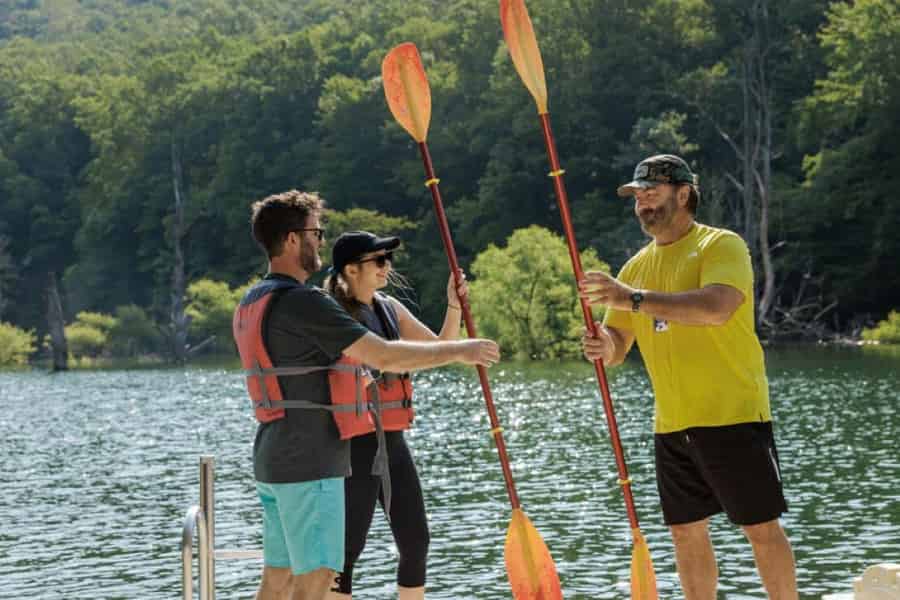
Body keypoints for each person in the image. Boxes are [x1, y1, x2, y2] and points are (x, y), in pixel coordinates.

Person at [232, 190, 500, 600]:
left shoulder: (253, 299)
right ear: (292, 239)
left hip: (274, 457)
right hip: (310, 462)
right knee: (316, 582)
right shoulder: (305, 302)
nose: (320, 241)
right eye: (315, 233)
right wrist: (463, 350)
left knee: (278, 581)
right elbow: (383, 355)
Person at [579, 155, 798, 600]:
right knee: (684, 531)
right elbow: (619, 344)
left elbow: (716, 308)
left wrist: (632, 299)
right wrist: (603, 344)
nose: (642, 203)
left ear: (683, 194)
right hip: (672, 424)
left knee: (759, 527)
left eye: (651, 193)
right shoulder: (634, 268)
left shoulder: (721, 245)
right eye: (637, 197)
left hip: (732, 414)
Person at [322, 231, 466, 600]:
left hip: (392, 442)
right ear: (351, 269)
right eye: (379, 260)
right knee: (347, 549)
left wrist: (453, 305)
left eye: (388, 259)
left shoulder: (389, 308)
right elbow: (385, 358)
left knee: (416, 542)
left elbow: (440, 349)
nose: (387, 267)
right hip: (353, 446)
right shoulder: (331, 315)